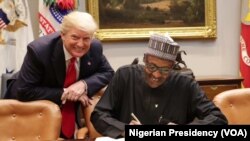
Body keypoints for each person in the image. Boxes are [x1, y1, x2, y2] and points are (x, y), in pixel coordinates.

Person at [91, 33, 228, 138]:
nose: (156, 75)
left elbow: (218, 119)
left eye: (164, 70)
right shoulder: (125, 76)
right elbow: (99, 115)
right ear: (145, 59)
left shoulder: (185, 84)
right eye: (151, 66)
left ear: (173, 67)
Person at [7, 11, 114, 139]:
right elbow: (25, 91)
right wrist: (66, 93)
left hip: (68, 113)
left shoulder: (94, 47)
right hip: (28, 108)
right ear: (63, 35)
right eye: (75, 37)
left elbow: (108, 72)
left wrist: (83, 85)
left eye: (86, 38)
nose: (80, 44)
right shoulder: (39, 50)